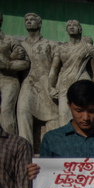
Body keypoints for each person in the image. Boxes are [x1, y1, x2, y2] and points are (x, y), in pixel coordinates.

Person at [48, 20, 94, 127]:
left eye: (74, 25)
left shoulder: (87, 47)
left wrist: (93, 55)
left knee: (86, 112)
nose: (71, 27)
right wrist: (50, 86)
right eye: (69, 25)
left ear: (80, 29)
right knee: (64, 114)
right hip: (65, 82)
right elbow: (54, 70)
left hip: (83, 80)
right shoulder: (61, 48)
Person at [17, 13, 59, 147]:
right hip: (28, 84)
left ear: (39, 24)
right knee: (22, 110)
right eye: (26, 20)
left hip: (46, 83)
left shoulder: (50, 44)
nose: (28, 22)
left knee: (53, 116)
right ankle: (25, 149)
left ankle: (54, 150)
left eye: (32, 20)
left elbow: (57, 67)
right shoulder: (20, 45)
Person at [0, 12, 30, 135]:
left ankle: (10, 143)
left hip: (8, 80)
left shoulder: (10, 40)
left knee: (6, 111)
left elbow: (25, 63)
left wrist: (7, 65)